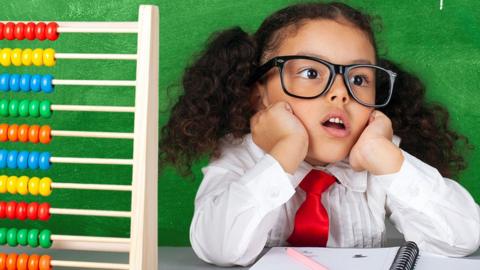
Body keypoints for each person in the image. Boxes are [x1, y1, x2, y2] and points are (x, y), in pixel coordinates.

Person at [159, 1, 480, 267]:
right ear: (260, 96)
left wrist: (385, 157)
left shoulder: (376, 156)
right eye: (311, 73)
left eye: (358, 79)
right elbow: (219, 248)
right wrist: (284, 152)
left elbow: (463, 238)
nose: (340, 93)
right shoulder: (242, 158)